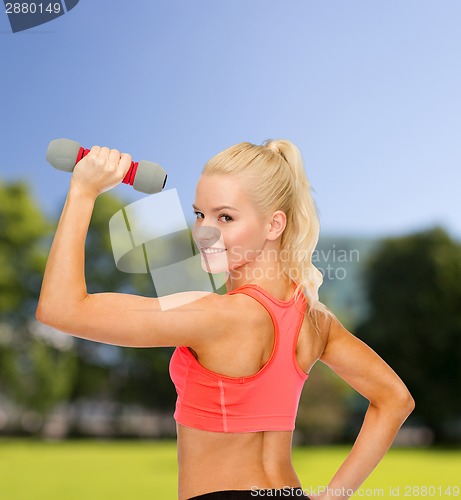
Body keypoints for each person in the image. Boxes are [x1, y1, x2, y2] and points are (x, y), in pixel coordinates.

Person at [37, 139, 414, 500]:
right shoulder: (316, 320)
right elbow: (394, 400)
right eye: (200, 213)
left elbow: (61, 308)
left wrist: (83, 191)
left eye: (226, 217)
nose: (204, 231)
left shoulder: (216, 316)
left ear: (274, 225)